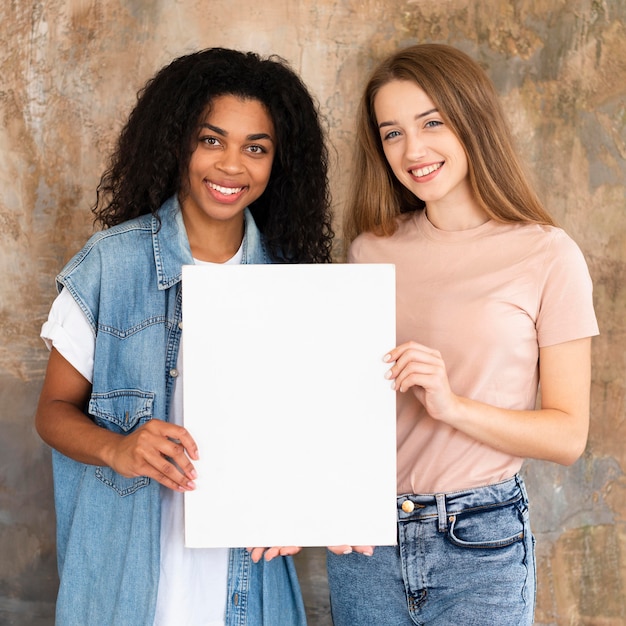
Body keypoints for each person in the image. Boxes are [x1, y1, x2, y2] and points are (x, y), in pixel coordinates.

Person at [35, 47, 333, 626]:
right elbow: (52, 411)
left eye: (256, 148)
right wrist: (117, 447)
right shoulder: (110, 265)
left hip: (249, 582)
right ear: (177, 142)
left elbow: (309, 441)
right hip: (121, 580)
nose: (231, 166)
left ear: (278, 163)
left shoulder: (295, 285)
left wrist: (302, 506)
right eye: (211, 140)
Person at [326, 43, 598, 625]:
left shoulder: (548, 254)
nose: (413, 150)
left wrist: (451, 406)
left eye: (431, 123)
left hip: (481, 541)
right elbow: (344, 405)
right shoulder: (369, 250)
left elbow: (568, 436)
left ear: (471, 121)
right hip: (367, 542)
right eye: (392, 132)